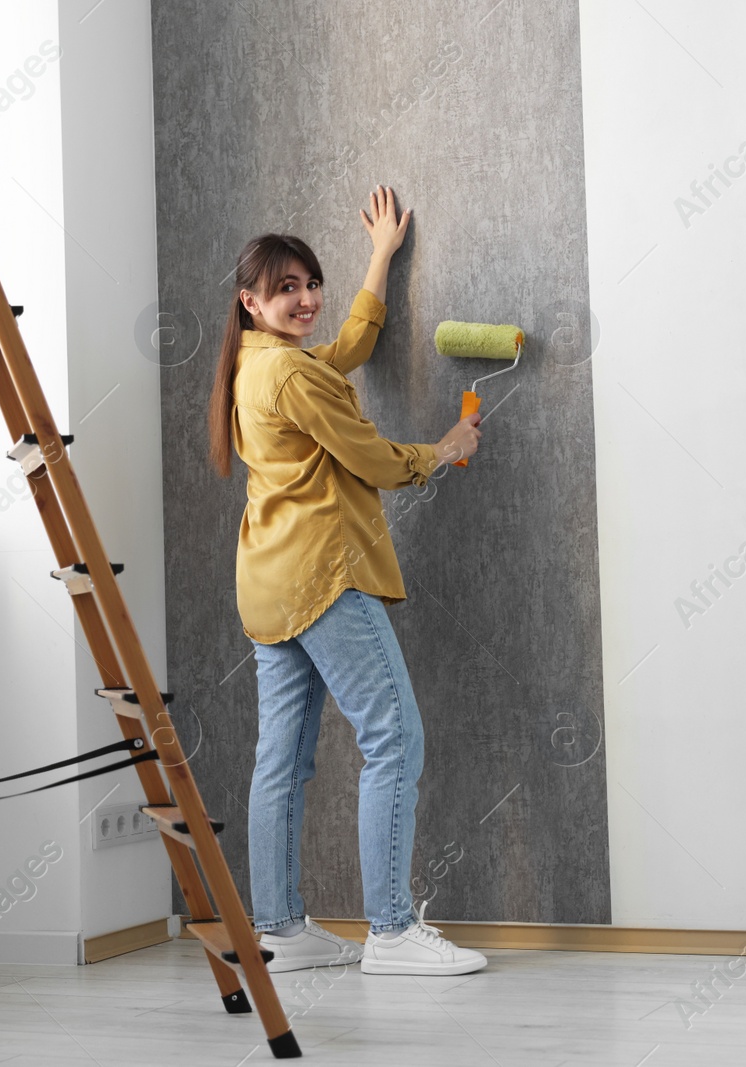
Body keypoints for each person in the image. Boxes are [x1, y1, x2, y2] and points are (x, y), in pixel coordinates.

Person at [205, 185, 487, 976]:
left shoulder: (258, 368)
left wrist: (378, 257)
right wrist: (443, 449)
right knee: (394, 737)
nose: (303, 299)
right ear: (249, 301)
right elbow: (368, 457)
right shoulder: (292, 378)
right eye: (284, 288)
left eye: (308, 284)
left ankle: (281, 931)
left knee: (281, 760)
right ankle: (392, 933)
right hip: (324, 577)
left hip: (267, 584)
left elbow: (346, 352)